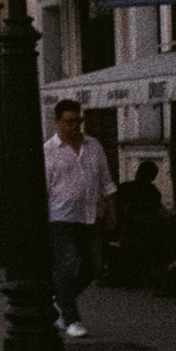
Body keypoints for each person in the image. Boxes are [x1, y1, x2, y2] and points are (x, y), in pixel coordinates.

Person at [43, 98, 112, 338]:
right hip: (60, 216)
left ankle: (59, 299)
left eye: (78, 121)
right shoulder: (49, 151)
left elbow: (106, 181)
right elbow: (44, 188)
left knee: (93, 266)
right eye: (69, 121)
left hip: (89, 216)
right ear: (58, 122)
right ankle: (71, 318)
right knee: (68, 263)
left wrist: (110, 209)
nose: (74, 126)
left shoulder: (93, 146)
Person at [105, 159, 168, 287]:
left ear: (138, 172)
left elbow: (115, 210)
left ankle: (114, 273)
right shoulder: (154, 193)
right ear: (153, 177)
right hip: (148, 234)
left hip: (125, 232)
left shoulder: (125, 188)